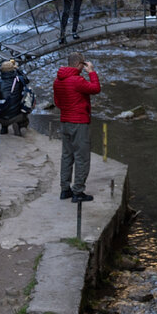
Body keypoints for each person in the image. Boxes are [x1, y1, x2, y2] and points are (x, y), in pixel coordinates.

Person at [52, 52, 101, 202]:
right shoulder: (77, 80)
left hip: (65, 121)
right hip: (79, 123)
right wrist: (91, 72)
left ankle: (64, 189)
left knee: (67, 156)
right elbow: (95, 88)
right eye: (83, 64)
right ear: (80, 64)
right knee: (82, 158)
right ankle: (78, 191)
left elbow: (58, 103)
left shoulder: (57, 81)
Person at [0, 59, 31, 136]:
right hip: (16, 116)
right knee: (25, 103)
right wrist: (18, 70)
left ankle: (4, 127)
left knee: (4, 105)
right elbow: (27, 81)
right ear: (13, 69)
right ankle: (19, 126)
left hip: (0, 118)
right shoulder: (18, 81)